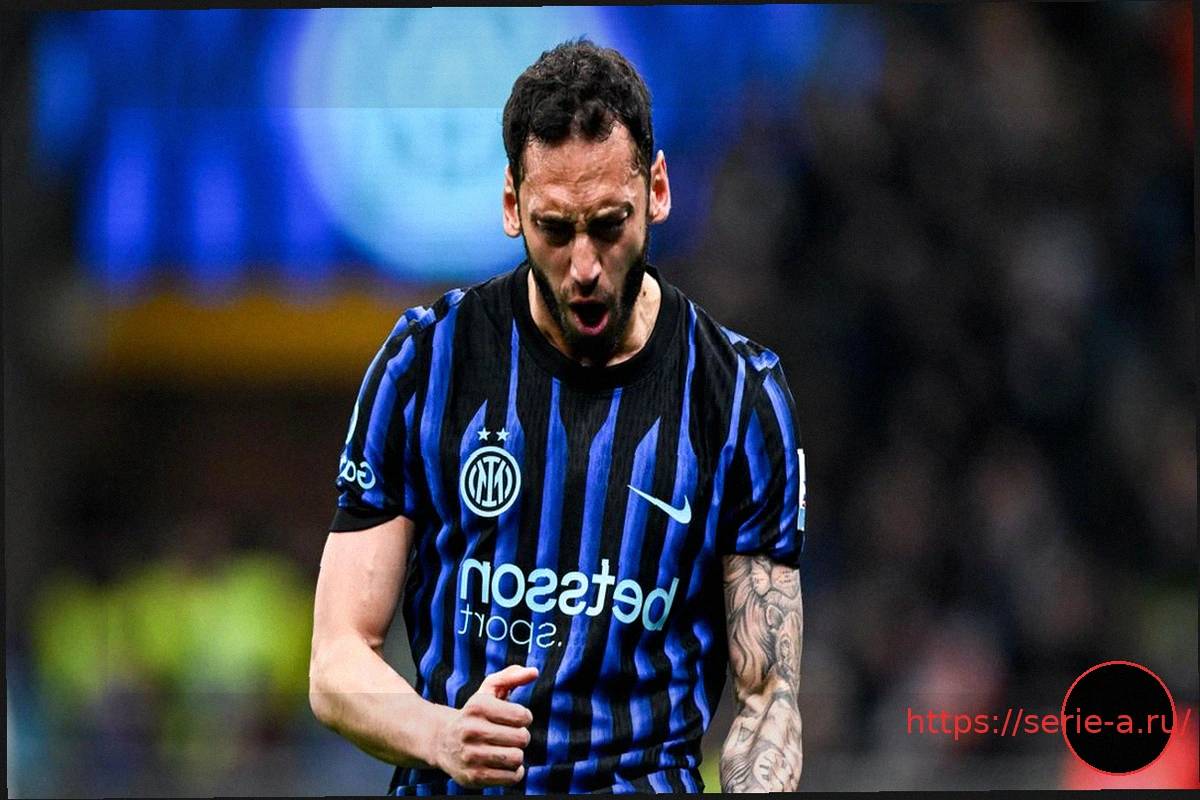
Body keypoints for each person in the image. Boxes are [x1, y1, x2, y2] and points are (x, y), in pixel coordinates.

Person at [309, 38, 806, 794]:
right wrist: (439, 733)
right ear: (512, 205)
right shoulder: (427, 364)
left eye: (608, 224)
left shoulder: (737, 395)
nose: (584, 266)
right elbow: (336, 659)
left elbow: (769, 698)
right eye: (554, 228)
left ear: (657, 191)